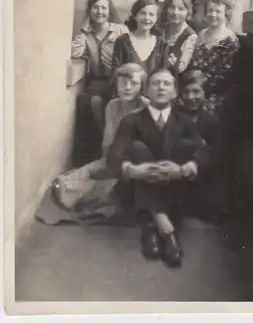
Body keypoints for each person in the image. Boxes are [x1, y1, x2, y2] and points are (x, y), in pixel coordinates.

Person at [107, 68, 209, 267]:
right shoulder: (131, 120)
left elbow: (203, 152)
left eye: (167, 84)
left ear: (174, 92)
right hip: (138, 184)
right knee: (137, 147)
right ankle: (166, 229)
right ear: (145, 91)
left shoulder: (185, 121)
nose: (161, 87)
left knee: (185, 145)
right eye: (155, 83)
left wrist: (185, 169)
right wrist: (132, 169)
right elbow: (114, 155)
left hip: (174, 188)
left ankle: (150, 224)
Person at [52, 63, 148, 217]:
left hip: (135, 165)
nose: (128, 87)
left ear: (142, 86)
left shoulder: (146, 108)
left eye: (134, 83)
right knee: (67, 183)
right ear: (116, 85)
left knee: (111, 192)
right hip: (112, 158)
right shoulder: (113, 106)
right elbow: (108, 140)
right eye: (123, 83)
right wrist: (105, 164)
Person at [71, 0, 127, 164]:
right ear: (89, 11)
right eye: (95, 7)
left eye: (104, 7)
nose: (99, 11)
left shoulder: (119, 30)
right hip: (98, 81)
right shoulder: (86, 35)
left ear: (109, 11)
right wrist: (83, 28)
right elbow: (75, 53)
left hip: (118, 79)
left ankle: (107, 146)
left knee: (95, 102)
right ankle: (89, 151)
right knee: (85, 101)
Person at [175, 70, 229, 223]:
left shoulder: (211, 121)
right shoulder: (174, 116)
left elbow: (217, 151)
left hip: (201, 174)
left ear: (205, 93)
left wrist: (198, 162)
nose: (191, 97)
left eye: (196, 91)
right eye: (186, 92)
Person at [188, 0, 240, 122]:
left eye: (218, 11)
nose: (213, 15)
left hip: (218, 92)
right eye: (210, 11)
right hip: (196, 86)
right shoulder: (201, 35)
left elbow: (227, 76)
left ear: (226, 15)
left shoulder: (230, 41)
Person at [112, 0, 166, 74]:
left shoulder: (161, 44)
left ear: (156, 18)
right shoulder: (122, 41)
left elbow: (164, 75)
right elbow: (115, 74)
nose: (147, 18)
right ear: (135, 16)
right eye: (142, 13)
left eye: (151, 14)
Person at [160, 0, 197, 77]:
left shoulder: (190, 36)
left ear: (188, 11)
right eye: (172, 7)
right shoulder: (159, 29)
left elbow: (181, 68)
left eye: (181, 9)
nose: (175, 12)